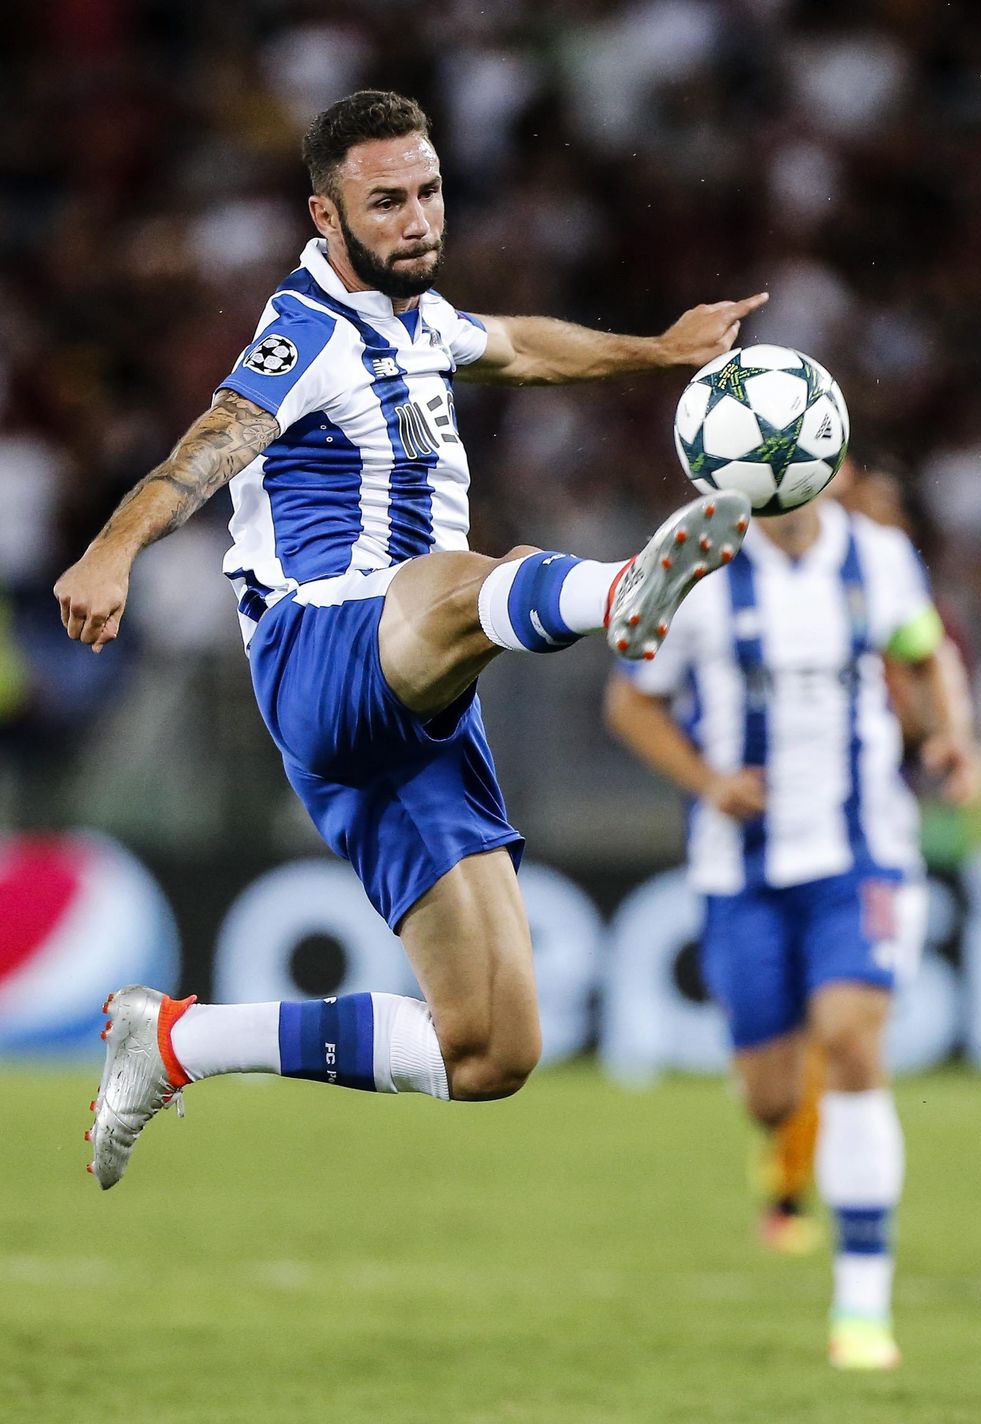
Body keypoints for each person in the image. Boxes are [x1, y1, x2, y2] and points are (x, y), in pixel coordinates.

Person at [55, 90, 765, 1191]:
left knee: (490, 1045)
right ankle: (620, 590)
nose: (418, 218)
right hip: (322, 652)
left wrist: (657, 349)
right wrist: (113, 548)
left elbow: (519, 346)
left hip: (414, 707)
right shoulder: (307, 330)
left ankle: (177, 1042)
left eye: (427, 191)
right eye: (385, 202)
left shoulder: (416, 317)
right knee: (452, 577)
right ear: (324, 218)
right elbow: (209, 442)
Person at [604, 490, 981, 1370]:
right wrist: (707, 782)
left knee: (852, 1041)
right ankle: (783, 1148)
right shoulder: (700, 566)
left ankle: (862, 1304)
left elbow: (925, 657)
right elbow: (631, 705)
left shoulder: (881, 556)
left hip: (865, 852)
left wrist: (953, 735)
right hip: (741, 867)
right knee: (773, 1096)